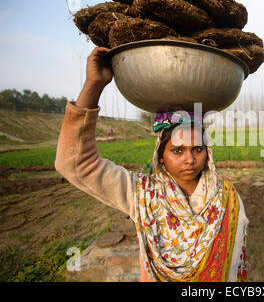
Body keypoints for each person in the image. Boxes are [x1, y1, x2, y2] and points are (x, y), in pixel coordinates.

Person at [55, 47, 249, 282]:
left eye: (197, 149)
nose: (190, 159)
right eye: (177, 151)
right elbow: (75, 163)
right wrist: (93, 85)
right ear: (160, 155)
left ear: (208, 151)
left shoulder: (226, 197)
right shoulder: (142, 193)